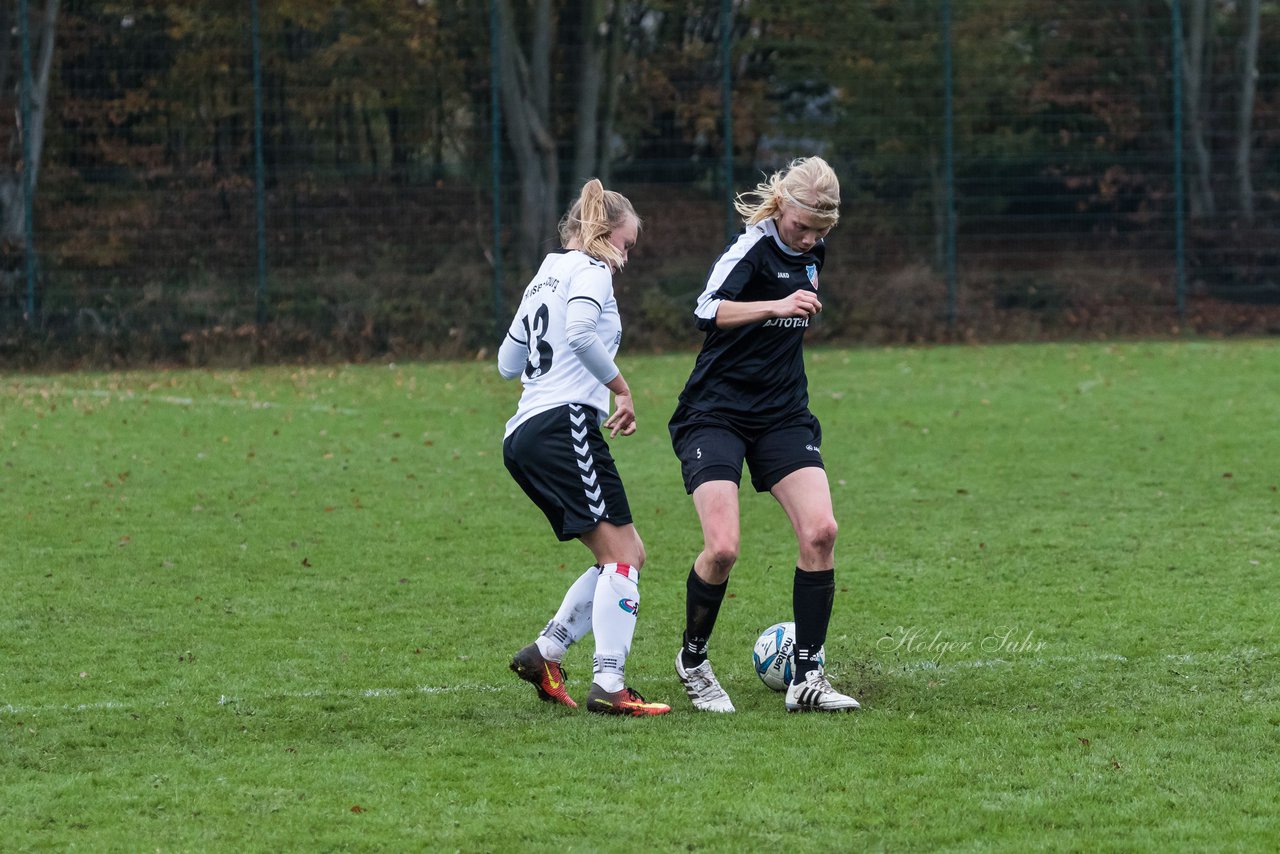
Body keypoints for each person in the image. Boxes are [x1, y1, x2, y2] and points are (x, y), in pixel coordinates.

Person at [669, 156, 860, 713]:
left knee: (821, 531)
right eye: (802, 227)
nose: (808, 240)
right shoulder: (751, 249)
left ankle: (807, 678)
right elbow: (705, 309)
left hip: (782, 413)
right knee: (723, 547)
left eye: (820, 232)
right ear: (782, 208)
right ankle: (694, 659)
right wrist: (776, 304)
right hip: (715, 413)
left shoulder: (813, 250)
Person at [499, 178, 670, 717]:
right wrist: (620, 387)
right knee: (622, 558)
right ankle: (610, 685)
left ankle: (545, 652)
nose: (626, 257)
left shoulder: (545, 274)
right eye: (627, 244)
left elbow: (507, 363)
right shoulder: (592, 271)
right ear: (606, 235)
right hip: (563, 425)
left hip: (524, 433)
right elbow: (577, 335)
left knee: (626, 555)